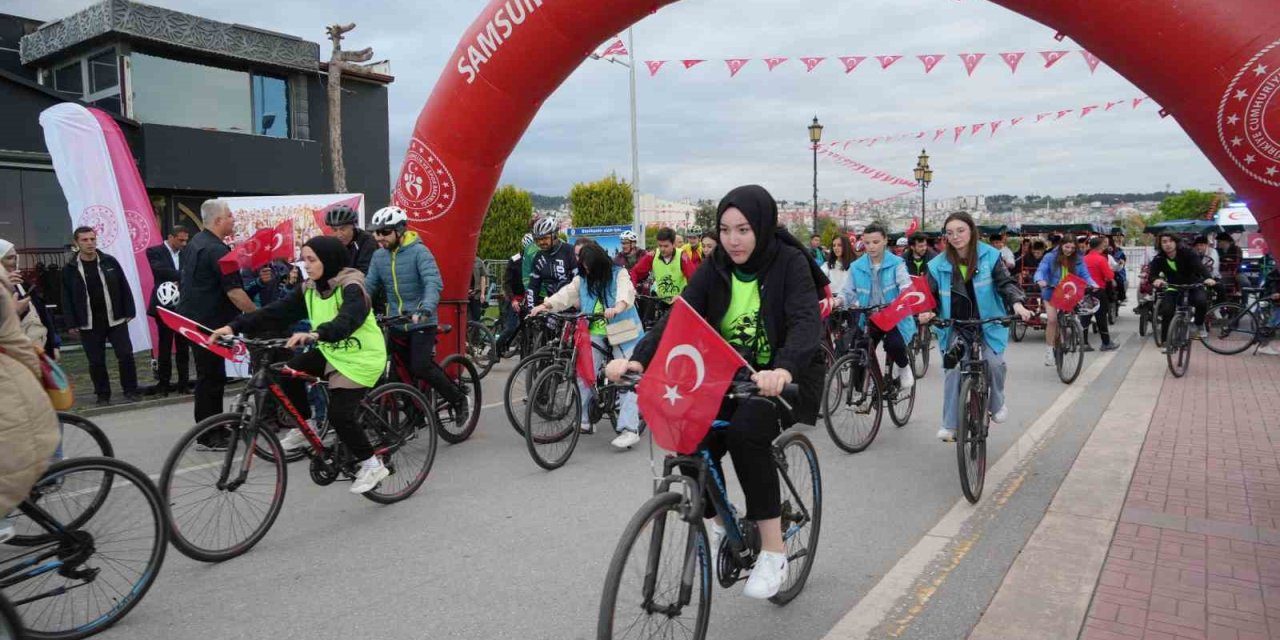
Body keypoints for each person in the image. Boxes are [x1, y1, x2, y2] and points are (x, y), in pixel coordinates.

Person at [607, 184, 826, 600]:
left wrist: (782, 368)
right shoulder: (716, 265)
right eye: (725, 230)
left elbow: (804, 322)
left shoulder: (789, 263)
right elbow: (682, 315)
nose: (733, 239)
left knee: (746, 432)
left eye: (743, 229)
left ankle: (775, 552)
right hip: (727, 374)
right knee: (687, 435)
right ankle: (726, 524)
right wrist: (639, 359)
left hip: (782, 377)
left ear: (762, 227)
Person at [211, 236, 391, 494]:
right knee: (287, 372)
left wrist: (317, 334)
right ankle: (308, 425)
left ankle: (372, 464)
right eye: (304, 259)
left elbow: (347, 320)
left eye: (312, 260)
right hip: (332, 352)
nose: (305, 265)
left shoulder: (353, 286)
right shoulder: (310, 288)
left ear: (328, 260)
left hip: (361, 357)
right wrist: (234, 326)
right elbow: (275, 311)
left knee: (341, 414)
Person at [916, 212, 1033, 442]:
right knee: (953, 369)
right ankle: (950, 424)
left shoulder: (990, 255)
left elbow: (1005, 283)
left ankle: (996, 402)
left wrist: (1018, 304)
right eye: (950, 233)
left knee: (995, 363)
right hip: (955, 326)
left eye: (960, 231)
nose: (955, 236)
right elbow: (929, 295)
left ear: (971, 231)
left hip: (986, 323)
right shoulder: (937, 264)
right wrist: (927, 311)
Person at [531, 242, 645, 448]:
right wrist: (544, 305)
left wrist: (617, 308)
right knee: (584, 373)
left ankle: (630, 428)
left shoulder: (618, 273)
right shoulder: (582, 278)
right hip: (595, 330)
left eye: (589, 266)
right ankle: (584, 420)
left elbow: (625, 294)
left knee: (626, 376)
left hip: (622, 327)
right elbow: (565, 294)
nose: (587, 270)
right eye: (583, 265)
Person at [363, 206, 469, 424]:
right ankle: (415, 414)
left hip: (421, 320)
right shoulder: (378, 256)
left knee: (420, 366)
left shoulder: (419, 252)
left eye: (384, 232)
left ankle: (458, 399)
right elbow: (368, 286)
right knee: (388, 372)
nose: (378, 237)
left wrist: (425, 308)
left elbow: (433, 282)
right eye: (375, 232)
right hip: (395, 321)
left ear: (400, 230)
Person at [179, 200, 257, 439]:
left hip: (194, 320)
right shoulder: (219, 251)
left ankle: (208, 429)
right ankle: (210, 434)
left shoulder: (194, 244)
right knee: (212, 378)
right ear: (218, 221)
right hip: (211, 324)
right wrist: (259, 316)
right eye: (230, 215)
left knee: (208, 377)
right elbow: (234, 292)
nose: (234, 219)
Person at [0, 264, 61, 543]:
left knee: (15, 449)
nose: (13, 263)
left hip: (11, 376)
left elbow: (13, 337)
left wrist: (36, 375)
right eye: (8, 258)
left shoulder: (7, 287)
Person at [61, 226, 142, 406]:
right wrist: (71, 323)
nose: (90, 243)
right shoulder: (70, 269)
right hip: (89, 323)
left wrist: (130, 310)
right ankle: (103, 394)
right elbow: (66, 298)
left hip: (115, 319)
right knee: (96, 361)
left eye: (92, 239)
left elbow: (124, 286)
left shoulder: (109, 261)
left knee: (126, 355)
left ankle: (131, 390)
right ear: (76, 243)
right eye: (85, 240)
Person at [838, 224, 916, 389]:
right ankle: (862, 390)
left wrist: (903, 295)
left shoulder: (897, 263)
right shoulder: (857, 266)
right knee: (859, 348)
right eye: (867, 243)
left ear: (885, 241)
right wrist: (838, 301)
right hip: (869, 316)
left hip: (893, 315)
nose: (871, 247)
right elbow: (848, 292)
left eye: (875, 242)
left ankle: (904, 367)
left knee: (894, 344)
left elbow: (906, 285)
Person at [1034, 235, 1098, 366]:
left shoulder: (1078, 259)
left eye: (1072, 248)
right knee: (1052, 320)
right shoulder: (1050, 257)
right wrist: (1040, 280)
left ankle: (1071, 332)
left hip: (1069, 292)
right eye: (1066, 247)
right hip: (1051, 291)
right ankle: (1049, 351)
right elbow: (1041, 270)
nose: (1069, 250)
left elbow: (1085, 274)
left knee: (1072, 316)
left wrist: (1093, 283)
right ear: (1061, 245)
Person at [143, 227, 191, 396]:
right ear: (171, 237)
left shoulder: (187, 253)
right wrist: (183, 276)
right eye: (181, 240)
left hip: (183, 305)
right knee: (164, 346)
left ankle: (184, 383)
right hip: (163, 304)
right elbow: (159, 271)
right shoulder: (155, 251)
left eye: (186, 240)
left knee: (183, 347)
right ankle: (164, 383)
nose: (184, 243)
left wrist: (182, 277)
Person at [1146, 232, 1216, 342]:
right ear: (1160, 244)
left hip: (1193, 285)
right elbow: (1152, 275)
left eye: (1170, 241)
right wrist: (1156, 280)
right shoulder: (1159, 258)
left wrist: (1208, 277)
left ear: (1176, 242)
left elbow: (1200, 267)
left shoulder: (1188, 253)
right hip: (1173, 287)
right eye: (1164, 242)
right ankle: (1165, 341)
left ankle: (1198, 324)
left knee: (1201, 301)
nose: (1168, 244)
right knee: (1167, 311)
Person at [630, 227, 697, 303]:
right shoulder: (652, 255)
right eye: (660, 245)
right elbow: (635, 271)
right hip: (660, 300)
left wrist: (683, 295)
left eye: (666, 246)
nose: (662, 249)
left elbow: (694, 279)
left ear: (673, 244)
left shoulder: (682, 256)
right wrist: (632, 288)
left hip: (679, 300)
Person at [526, 217, 577, 309]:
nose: (541, 242)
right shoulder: (538, 257)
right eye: (538, 239)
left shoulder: (569, 251)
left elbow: (578, 280)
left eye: (545, 238)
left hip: (574, 305)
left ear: (555, 235)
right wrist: (530, 308)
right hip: (552, 305)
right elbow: (533, 286)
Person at [1083, 236, 1119, 352]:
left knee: (1085, 316)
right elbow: (1110, 276)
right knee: (1101, 317)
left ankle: (1084, 343)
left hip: (1085, 291)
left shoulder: (1083, 259)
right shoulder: (1101, 259)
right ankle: (1106, 343)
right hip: (1098, 291)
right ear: (1100, 246)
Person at [496, 234, 529, 355]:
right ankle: (494, 351)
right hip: (513, 297)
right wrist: (513, 300)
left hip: (526, 298)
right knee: (510, 327)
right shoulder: (514, 260)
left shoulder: (534, 259)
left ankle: (524, 357)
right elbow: (506, 283)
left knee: (525, 327)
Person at [324, 205, 376, 274]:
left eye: (343, 229)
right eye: (334, 230)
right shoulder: (331, 243)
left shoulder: (367, 241)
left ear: (353, 226)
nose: (339, 234)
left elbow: (364, 271)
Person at [1257, 259, 1280, 356]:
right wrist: (1275, 292)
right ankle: (1264, 345)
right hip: (1273, 295)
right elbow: (1273, 281)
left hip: (1275, 294)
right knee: (1273, 321)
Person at [1109, 235, 1129, 303]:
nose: (1117, 243)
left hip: (1117, 270)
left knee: (1119, 279)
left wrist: (1120, 263)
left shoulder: (1120, 252)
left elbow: (1123, 262)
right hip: (1108, 269)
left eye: (1119, 241)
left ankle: (1122, 297)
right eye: (1115, 241)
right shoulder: (1106, 250)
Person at [469, 256, 488, 323]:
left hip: (476, 294)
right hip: (464, 295)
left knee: (476, 316)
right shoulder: (461, 259)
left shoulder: (478, 261)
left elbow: (483, 277)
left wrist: (482, 294)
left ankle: (476, 332)